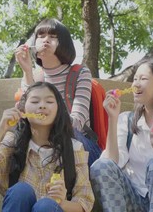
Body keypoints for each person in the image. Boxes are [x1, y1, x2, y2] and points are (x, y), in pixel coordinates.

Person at [90, 59, 153, 211]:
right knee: (100, 165)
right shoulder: (126, 119)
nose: (135, 84)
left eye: (143, 79)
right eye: (135, 79)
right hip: (135, 197)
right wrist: (112, 118)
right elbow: (111, 163)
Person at [0, 81, 94, 212]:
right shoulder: (13, 142)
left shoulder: (74, 148)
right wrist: (0, 129)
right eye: (35, 102)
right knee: (21, 190)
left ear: (59, 109)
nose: (42, 106)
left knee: (46, 205)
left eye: (49, 102)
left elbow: (84, 203)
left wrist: (61, 202)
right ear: (23, 110)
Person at [15, 18, 101, 166]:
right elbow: (27, 117)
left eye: (53, 36)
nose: (46, 40)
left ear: (64, 43)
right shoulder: (33, 76)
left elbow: (77, 123)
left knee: (64, 136)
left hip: (79, 143)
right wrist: (27, 71)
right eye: (41, 36)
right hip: (42, 142)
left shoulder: (79, 73)